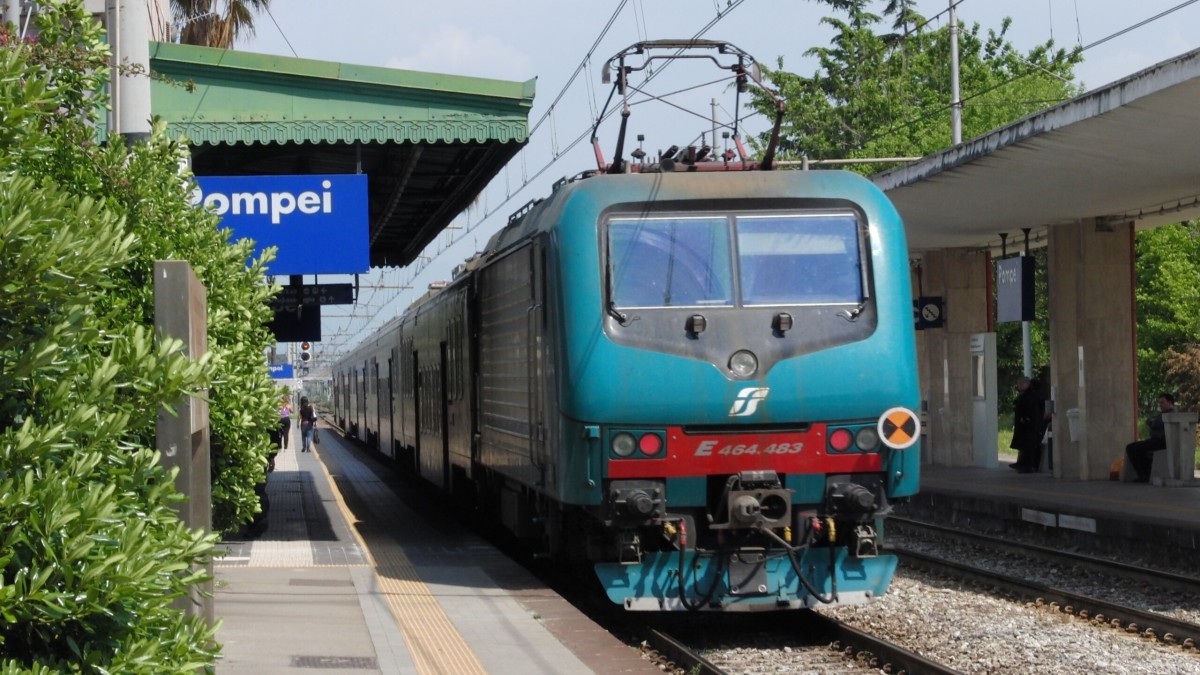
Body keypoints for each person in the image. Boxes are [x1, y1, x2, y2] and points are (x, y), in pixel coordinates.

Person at [1125, 393, 1176, 483]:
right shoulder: (1162, 414)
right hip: (1155, 440)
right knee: (1130, 447)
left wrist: (1153, 422)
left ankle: (1146, 475)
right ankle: (1141, 474)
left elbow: (1155, 422)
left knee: (1138, 449)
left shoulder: (1172, 414)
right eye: (1159, 403)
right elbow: (1150, 421)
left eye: (1162, 402)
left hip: (1162, 441)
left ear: (1170, 402)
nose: (1160, 405)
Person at [1009, 376, 1045, 473]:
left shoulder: (1031, 395)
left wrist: (1026, 419)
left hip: (1029, 425)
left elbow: (1032, 410)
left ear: (1027, 384)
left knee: (1029, 446)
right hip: (1025, 425)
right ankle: (1022, 463)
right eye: (1018, 384)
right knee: (1024, 445)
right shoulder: (1025, 395)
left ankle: (1028, 465)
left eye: (1021, 383)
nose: (1019, 386)